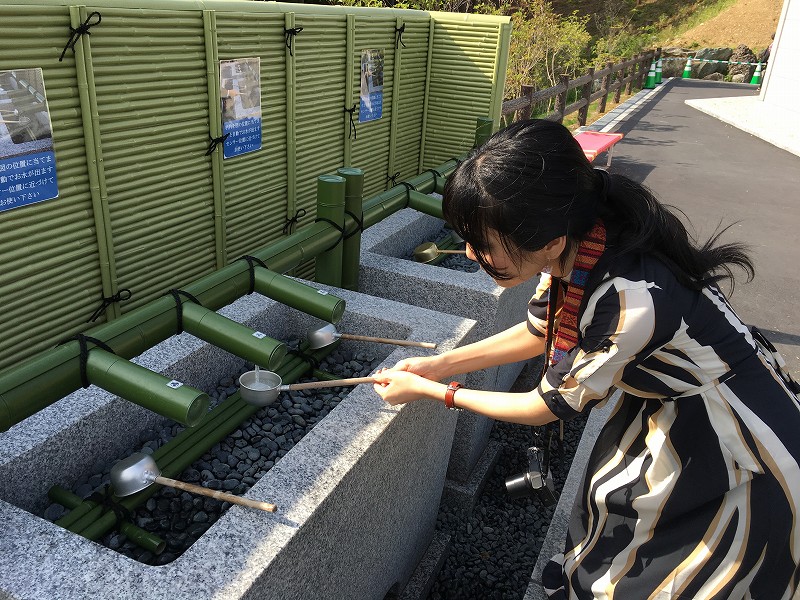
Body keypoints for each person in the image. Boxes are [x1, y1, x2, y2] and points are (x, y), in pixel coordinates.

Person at [372, 119, 800, 598]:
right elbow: (541, 331)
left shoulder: (631, 301)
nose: (471, 254)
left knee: (689, 561)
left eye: (485, 245)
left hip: (730, 431)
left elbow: (543, 406)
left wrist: (433, 392)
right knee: (621, 511)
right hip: (670, 402)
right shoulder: (580, 239)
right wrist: (438, 364)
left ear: (550, 242)